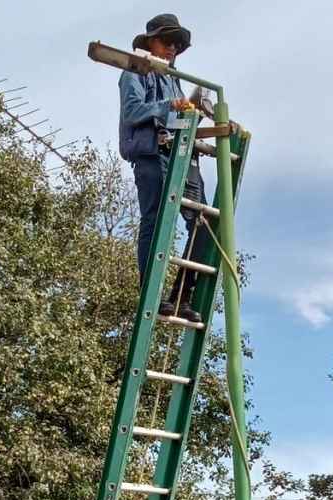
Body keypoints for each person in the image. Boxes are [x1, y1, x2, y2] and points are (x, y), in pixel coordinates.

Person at [119, 13, 212, 324]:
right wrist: (168, 106)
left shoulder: (173, 79)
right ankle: (152, 294)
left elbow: (178, 118)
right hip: (152, 154)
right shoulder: (136, 70)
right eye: (167, 40)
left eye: (177, 43)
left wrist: (196, 117)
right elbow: (133, 111)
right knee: (156, 220)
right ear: (151, 42)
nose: (173, 47)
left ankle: (182, 295)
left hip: (181, 155)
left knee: (203, 222)